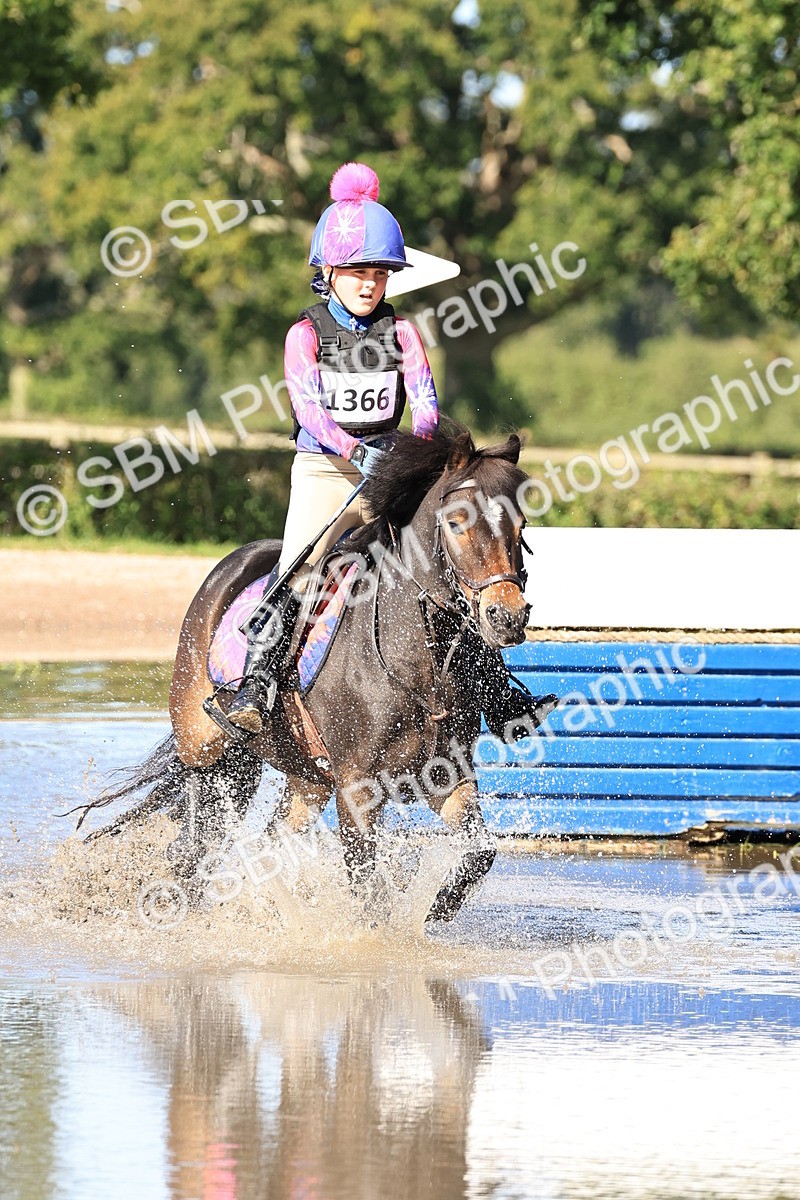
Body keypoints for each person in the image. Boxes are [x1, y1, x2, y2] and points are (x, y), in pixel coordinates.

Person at [222, 161, 556, 739]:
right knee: (299, 572)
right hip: (326, 471)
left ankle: (495, 690)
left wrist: (414, 450)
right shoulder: (304, 335)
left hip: (395, 471)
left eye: (379, 271)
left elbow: (424, 404)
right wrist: (356, 451)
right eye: (356, 271)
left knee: (444, 566)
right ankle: (256, 686)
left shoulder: (402, 333)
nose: (370, 282)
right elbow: (310, 414)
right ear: (328, 271)